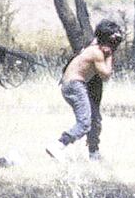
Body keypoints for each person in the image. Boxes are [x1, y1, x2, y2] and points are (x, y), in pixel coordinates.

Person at [46, 19, 124, 161]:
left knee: (94, 120)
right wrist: (110, 55)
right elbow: (106, 75)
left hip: (74, 85)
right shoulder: (97, 53)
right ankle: (58, 145)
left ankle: (94, 154)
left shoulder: (93, 48)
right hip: (75, 86)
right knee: (84, 123)